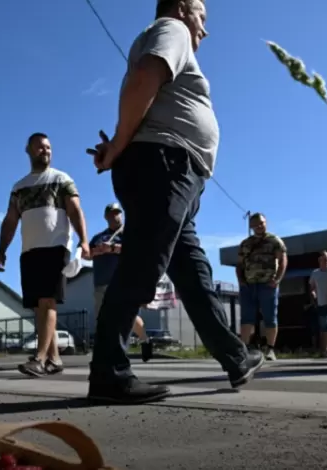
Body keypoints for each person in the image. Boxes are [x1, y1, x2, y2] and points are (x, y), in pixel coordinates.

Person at [85, 0, 263, 404]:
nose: (206, 28)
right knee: (143, 263)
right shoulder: (173, 28)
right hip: (164, 165)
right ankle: (109, 373)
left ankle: (235, 356)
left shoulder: (173, 34)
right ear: (183, 8)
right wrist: (117, 145)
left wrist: (120, 145)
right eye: (202, 15)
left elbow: (146, 84)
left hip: (174, 170)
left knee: (192, 272)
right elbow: (145, 76)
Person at [0, 132, 90, 378]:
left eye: (48, 147)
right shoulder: (19, 187)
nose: (45, 151)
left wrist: (84, 240)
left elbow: (75, 210)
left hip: (56, 246)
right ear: (28, 150)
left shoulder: (62, 179)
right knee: (39, 307)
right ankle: (55, 359)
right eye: (40, 147)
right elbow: (10, 220)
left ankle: (38, 359)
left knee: (48, 301)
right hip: (29, 250)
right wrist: (1, 249)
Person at [89, 203, 153, 362]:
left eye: (117, 213)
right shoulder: (98, 237)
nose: (115, 216)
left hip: (123, 280)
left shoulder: (129, 234)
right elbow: (86, 253)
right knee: (102, 317)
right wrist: (98, 250)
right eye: (111, 214)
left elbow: (137, 250)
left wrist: (113, 248)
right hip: (101, 282)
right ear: (106, 217)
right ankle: (105, 351)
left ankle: (145, 339)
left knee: (126, 316)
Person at [235, 212, 287, 361]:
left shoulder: (274, 241)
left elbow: (283, 260)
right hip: (249, 285)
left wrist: (277, 280)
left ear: (266, 223)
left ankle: (270, 349)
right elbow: (239, 264)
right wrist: (241, 281)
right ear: (251, 226)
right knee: (247, 318)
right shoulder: (246, 243)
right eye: (256, 224)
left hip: (267, 284)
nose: (259, 226)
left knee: (270, 317)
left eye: (262, 223)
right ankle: (244, 349)